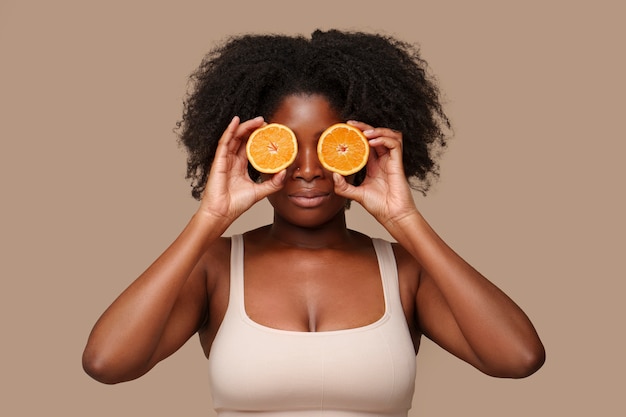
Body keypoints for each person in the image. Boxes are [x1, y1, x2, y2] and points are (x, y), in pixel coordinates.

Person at [82, 29, 545, 416]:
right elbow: (106, 363)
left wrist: (404, 220)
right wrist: (210, 218)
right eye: (284, 145)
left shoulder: (407, 272)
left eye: (331, 145)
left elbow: (518, 358)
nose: (308, 169)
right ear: (253, 152)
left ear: (365, 150)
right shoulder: (215, 267)